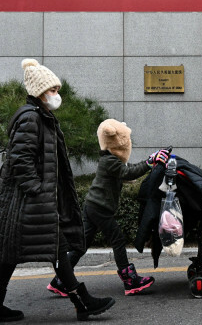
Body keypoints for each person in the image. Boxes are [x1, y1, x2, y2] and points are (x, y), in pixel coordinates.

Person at [0, 59, 114, 323]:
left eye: (56, 89)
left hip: (31, 202)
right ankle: (81, 301)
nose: (56, 95)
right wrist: (37, 190)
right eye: (52, 90)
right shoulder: (31, 118)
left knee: (23, 251)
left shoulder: (41, 116)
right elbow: (21, 159)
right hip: (29, 201)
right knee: (44, 248)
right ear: (39, 92)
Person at [47, 119, 169, 296]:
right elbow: (128, 172)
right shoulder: (109, 160)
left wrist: (150, 161)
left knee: (81, 245)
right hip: (99, 208)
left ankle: (60, 281)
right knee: (118, 240)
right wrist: (150, 162)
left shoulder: (110, 160)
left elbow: (128, 172)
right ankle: (130, 280)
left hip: (93, 206)